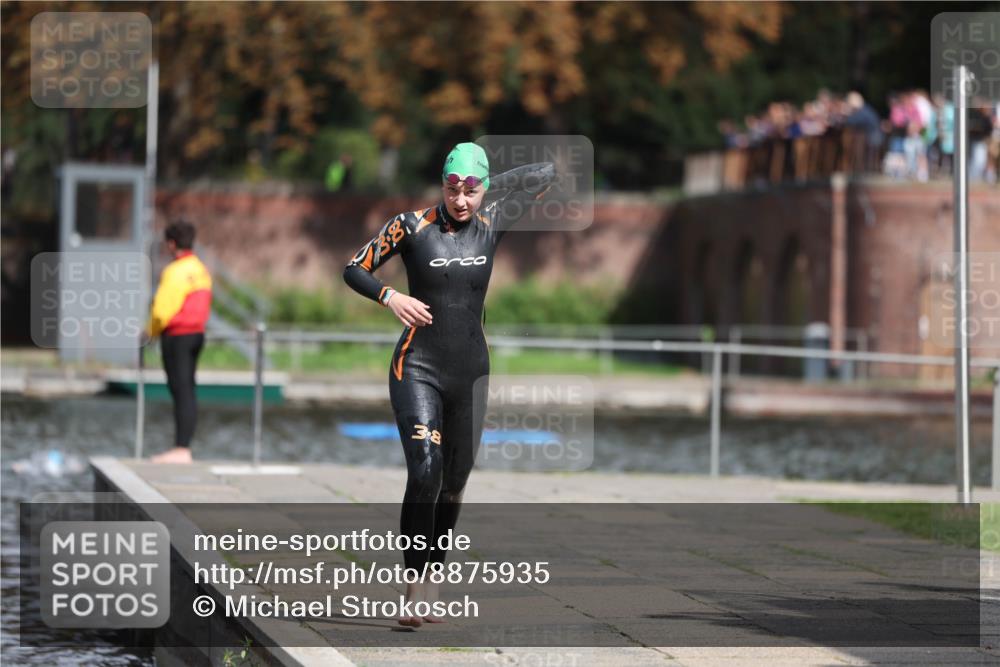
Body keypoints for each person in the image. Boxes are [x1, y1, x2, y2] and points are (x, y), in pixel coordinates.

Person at [343, 143, 554, 627]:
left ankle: (433, 578)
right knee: (425, 471)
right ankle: (416, 585)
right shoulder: (410, 226)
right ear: (442, 182)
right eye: (453, 187)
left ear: (483, 189)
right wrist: (389, 295)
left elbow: (545, 172)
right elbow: (354, 268)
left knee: (454, 486)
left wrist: (489, 183)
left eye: (471, 189)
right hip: (417, 366)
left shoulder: (492, 222)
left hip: (471, 373)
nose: (460, 199)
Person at [143, 220, 213, 464]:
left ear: (171, 244)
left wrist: (148, 331)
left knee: (180, 390)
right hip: (197, 335)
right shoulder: (201, 269)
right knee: (188, 390)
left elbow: (162, 310)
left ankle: (181, 449)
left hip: (177, 336)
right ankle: (183, 446)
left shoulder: (174, 271)